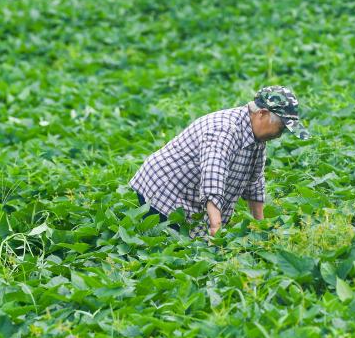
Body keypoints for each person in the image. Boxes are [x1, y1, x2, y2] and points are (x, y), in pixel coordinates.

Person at [130, 86, 310, 236]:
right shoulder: (224, 130)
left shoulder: (258, 139)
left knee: (199, 244)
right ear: (262, 114)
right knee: (178, 245)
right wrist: (216, 228)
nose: (279, 135)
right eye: (280, 128)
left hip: (190, 195)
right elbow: (212, 180)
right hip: (163, 192)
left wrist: (260, 227)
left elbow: (255, 183)